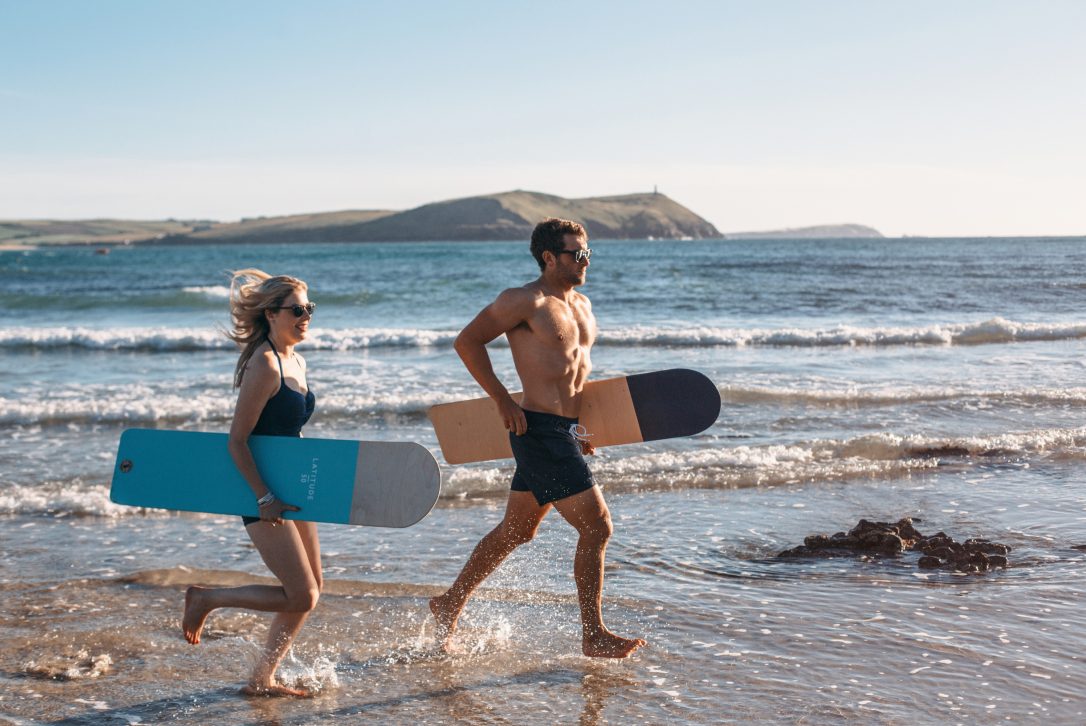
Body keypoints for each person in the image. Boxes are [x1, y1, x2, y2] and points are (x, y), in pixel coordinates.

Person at [429, 218, 646, 658]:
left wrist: (582, 429)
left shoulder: (583, 305)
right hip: (536, 431)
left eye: (588, 253)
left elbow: (576, 375)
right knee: (597, 526)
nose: (585, 260)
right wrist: (501, 401)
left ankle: (449, 603)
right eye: (576, 254)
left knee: (516, 531)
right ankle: (593, 634)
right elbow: (467, 342)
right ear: (549, 257)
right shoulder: (523, 301)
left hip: (562, 431)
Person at [181, 269, 323, 697]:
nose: (306, 316)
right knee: (302, 595)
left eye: (309, 308)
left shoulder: (297, 359)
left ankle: (263, 676)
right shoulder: (264, 364)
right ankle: (207, 599)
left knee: (311, 590)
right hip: (261, 491)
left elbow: (288, 433)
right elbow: (237, 441)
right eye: (297, 309)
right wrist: (265, 496)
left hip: (293, 487)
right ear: (272, 313)